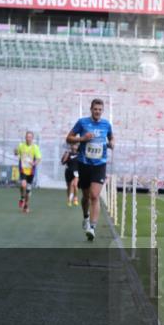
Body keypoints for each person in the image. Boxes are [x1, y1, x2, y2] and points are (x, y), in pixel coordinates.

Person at [66, 98, 115, 241]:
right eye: (95, 109)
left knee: (95, 195)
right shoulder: (82, 123)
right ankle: (86, 217)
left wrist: (112, 143)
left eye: (100, 109)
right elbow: (68, 138)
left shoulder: (107, 124)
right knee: (86, 197)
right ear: (91, 109)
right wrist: (82, 139)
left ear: (102, 111)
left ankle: (92, 228)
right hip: (84, 163)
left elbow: (112, 137)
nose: (97, 112)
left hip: (100, 164)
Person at [15, 131, 41, 214]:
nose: (28, 138)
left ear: (32, 138)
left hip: (31, 171)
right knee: (23, 184)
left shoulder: (35, 147)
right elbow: (16, 153)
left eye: (30, 137)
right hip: (23, 169)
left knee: (28, 191)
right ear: (25, 137)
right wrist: (15, 151)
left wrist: (34, 163)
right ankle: (22, 198)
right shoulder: (21, 146)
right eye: (27, 137)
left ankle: (26, 205)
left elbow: (38, 158)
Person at [61, 142, 80, 207]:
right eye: (73, 144)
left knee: (74, 184)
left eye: (76, 145)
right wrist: (66, 155)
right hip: (68, 172)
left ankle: (75, 198)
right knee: (69, 186)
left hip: (76, 172)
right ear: (71, 146)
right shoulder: (68, 153)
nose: (75, 146)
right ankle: (69, 199)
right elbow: (63, 162)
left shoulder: (80, 154)